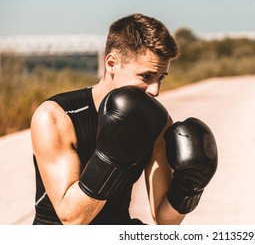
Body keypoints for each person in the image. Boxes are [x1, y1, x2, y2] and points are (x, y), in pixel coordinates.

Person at [30, 13, 218, 225]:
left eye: (161, 78)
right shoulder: (56, 117)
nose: (155, 90)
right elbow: (73, 218)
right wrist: (113, 158)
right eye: (146, 77)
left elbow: (165, 221)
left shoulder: (156, 122)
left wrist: (188, 189)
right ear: (112, 64)